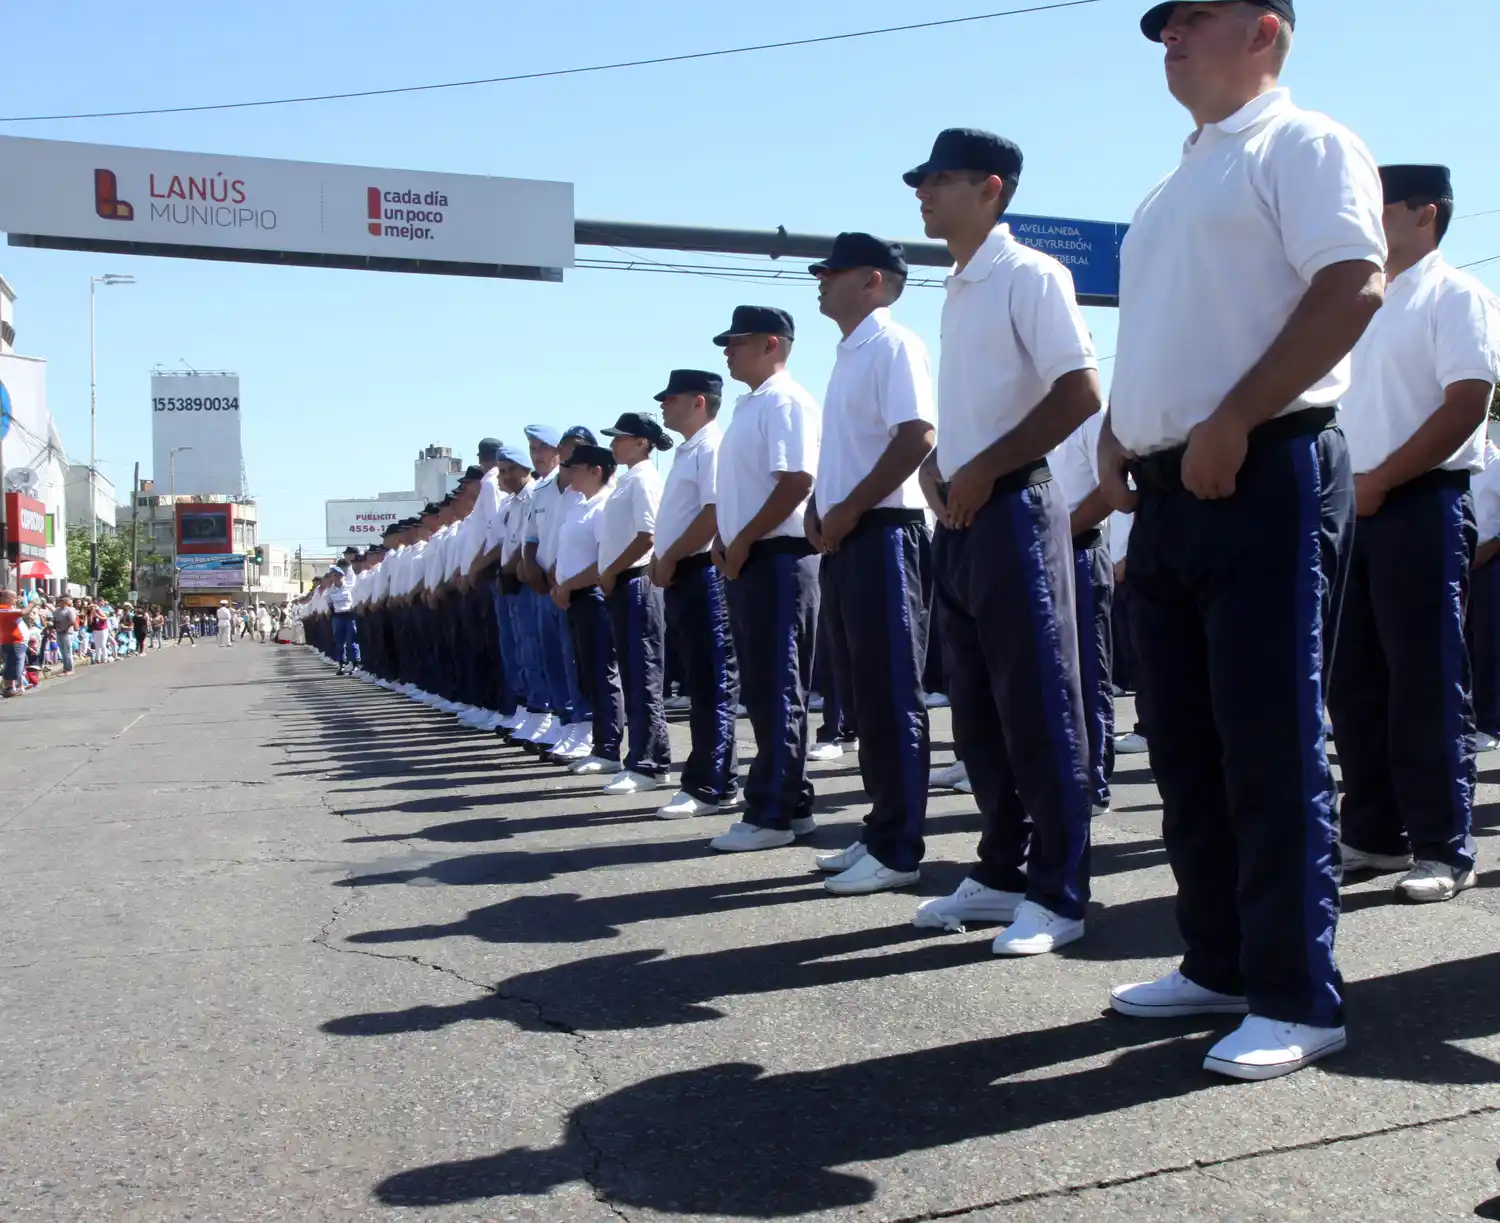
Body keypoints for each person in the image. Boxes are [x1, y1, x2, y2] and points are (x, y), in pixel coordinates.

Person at [1100, 0, 1386, 1079]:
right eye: (1165, 26)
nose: (1171, 38)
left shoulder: (1306, 142)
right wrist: (1121, 436)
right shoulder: (1173, 184)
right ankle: (1217, 959)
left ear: (1265, 31)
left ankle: (1296, 993)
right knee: (1184, 744)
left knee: (1269, 743)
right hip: (1174, 488)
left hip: (1265, 464)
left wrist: (1232, 415)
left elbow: (1352, 282)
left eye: (1197, 20)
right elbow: (1161, 331)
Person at [904, 127, 1098, 956]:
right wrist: (939, 467)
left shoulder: (1030, 273)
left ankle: (1060, 891)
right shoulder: (958, 285)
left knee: (1039, 704)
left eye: (938, 179)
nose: (922, 191)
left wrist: (982, 468)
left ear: (991, 188)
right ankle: (1002, 868)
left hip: (1015, 506)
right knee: (978, 708)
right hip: (963, 515)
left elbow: (1080, 392)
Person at [1330, 163, 1497, 903]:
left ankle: (1443, 845)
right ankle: (1372, 830)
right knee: (1353, 679)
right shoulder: (1361, 299)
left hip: (1420, 503)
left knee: (1425, 679)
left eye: (1379, 204)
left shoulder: (1454, 294)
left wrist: (1385, 478)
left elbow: (1467, 403)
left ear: (1424, 212)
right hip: (1349, 510)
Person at [802, 232, 938, 896]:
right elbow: (849, 448)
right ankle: (880, 825)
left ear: (874, 281)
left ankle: (899, 846)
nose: (820, 279)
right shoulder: (848, 353)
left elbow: (917, 435)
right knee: (862, 693)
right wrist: (818, 507)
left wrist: (850, 507)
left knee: (891, 693)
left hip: (884, 531)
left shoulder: (893, 343)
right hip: (850, 533)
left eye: (834, 270)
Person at [706, 305, 823, 853]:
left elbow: (797, 479)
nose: (727, 351)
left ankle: (772, 811)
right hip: (754, 554)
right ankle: (792, 804)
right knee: (763, 685)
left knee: (778, 686)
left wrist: (744, 537)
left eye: (738, 341)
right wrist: (726, 537)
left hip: (779, 555)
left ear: (771, 344)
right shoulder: (752, 404)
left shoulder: (784, 400)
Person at [652, 370, 742, 818]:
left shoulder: (710, 446)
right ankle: (710, 776)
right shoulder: (689, 450)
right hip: (682, 573)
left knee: (712, 681)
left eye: (671, 398)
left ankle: (713, 782)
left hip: (701, 570)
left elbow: (714, 512)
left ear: (699, 402)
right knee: (699, 680)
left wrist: (670, 556)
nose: (663, 405)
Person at [596, 411, 675, 794]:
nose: (614, 444)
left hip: (636, 580)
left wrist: (611, 569)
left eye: (621, 437)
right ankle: (647, 758)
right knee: (632, 672)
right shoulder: (627, 480)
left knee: (643, 674)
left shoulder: (644, 479)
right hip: (623, 582)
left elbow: (648, 535)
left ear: (642, 442)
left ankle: (648, 761)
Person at [1050, 410, 1116, 817]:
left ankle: (1094, 783)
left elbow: (1110, 490)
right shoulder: (1038, 419)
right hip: (1049, 552)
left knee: (1089, 677)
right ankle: (1065, 775)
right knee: (1055, 676)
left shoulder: (1090, 418)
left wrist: (1055, 534)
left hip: (1081, 551)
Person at [551, 444, 625, 777]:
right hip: (574, 597)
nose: (569, 473)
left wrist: (568, 585)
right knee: (587, 674)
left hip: (593, 596)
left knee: (602, 672)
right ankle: (600, 743)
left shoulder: (603, 508)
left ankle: (609, 747)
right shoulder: (580, 506)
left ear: (597, 470)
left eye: (575, 467)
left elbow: (603, 561)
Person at [1469, 438, 1500, 752]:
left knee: (1488, 646)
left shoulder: (1497, 463)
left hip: (1489, 563)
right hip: (1457, 562)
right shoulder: (1457, 463)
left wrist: (1490, 548)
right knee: (1461, 646)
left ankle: (1489, 724)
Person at [0, 590, 27, 697]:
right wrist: (32, 603)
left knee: (16, 663)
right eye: (14, 598)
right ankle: (9, 688)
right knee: (14, 664)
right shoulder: (3, 609)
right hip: (13, 641)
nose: (16, 600)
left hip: (17, 641)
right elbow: (23, 612)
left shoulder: (9, 609)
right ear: (6, 598)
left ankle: (14, 687)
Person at [53, 597, 78, 674]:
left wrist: (64, 628)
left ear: (64, 602)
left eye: (60, 601)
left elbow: (72, 621)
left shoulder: (69, 610)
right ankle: (65, 668)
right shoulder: (56, 611)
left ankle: (70, 669)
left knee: (68, 651)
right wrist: (55, 627)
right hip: (59, 632)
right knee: (62, 651)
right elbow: (55, 621)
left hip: (67, 632)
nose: (58, 602)